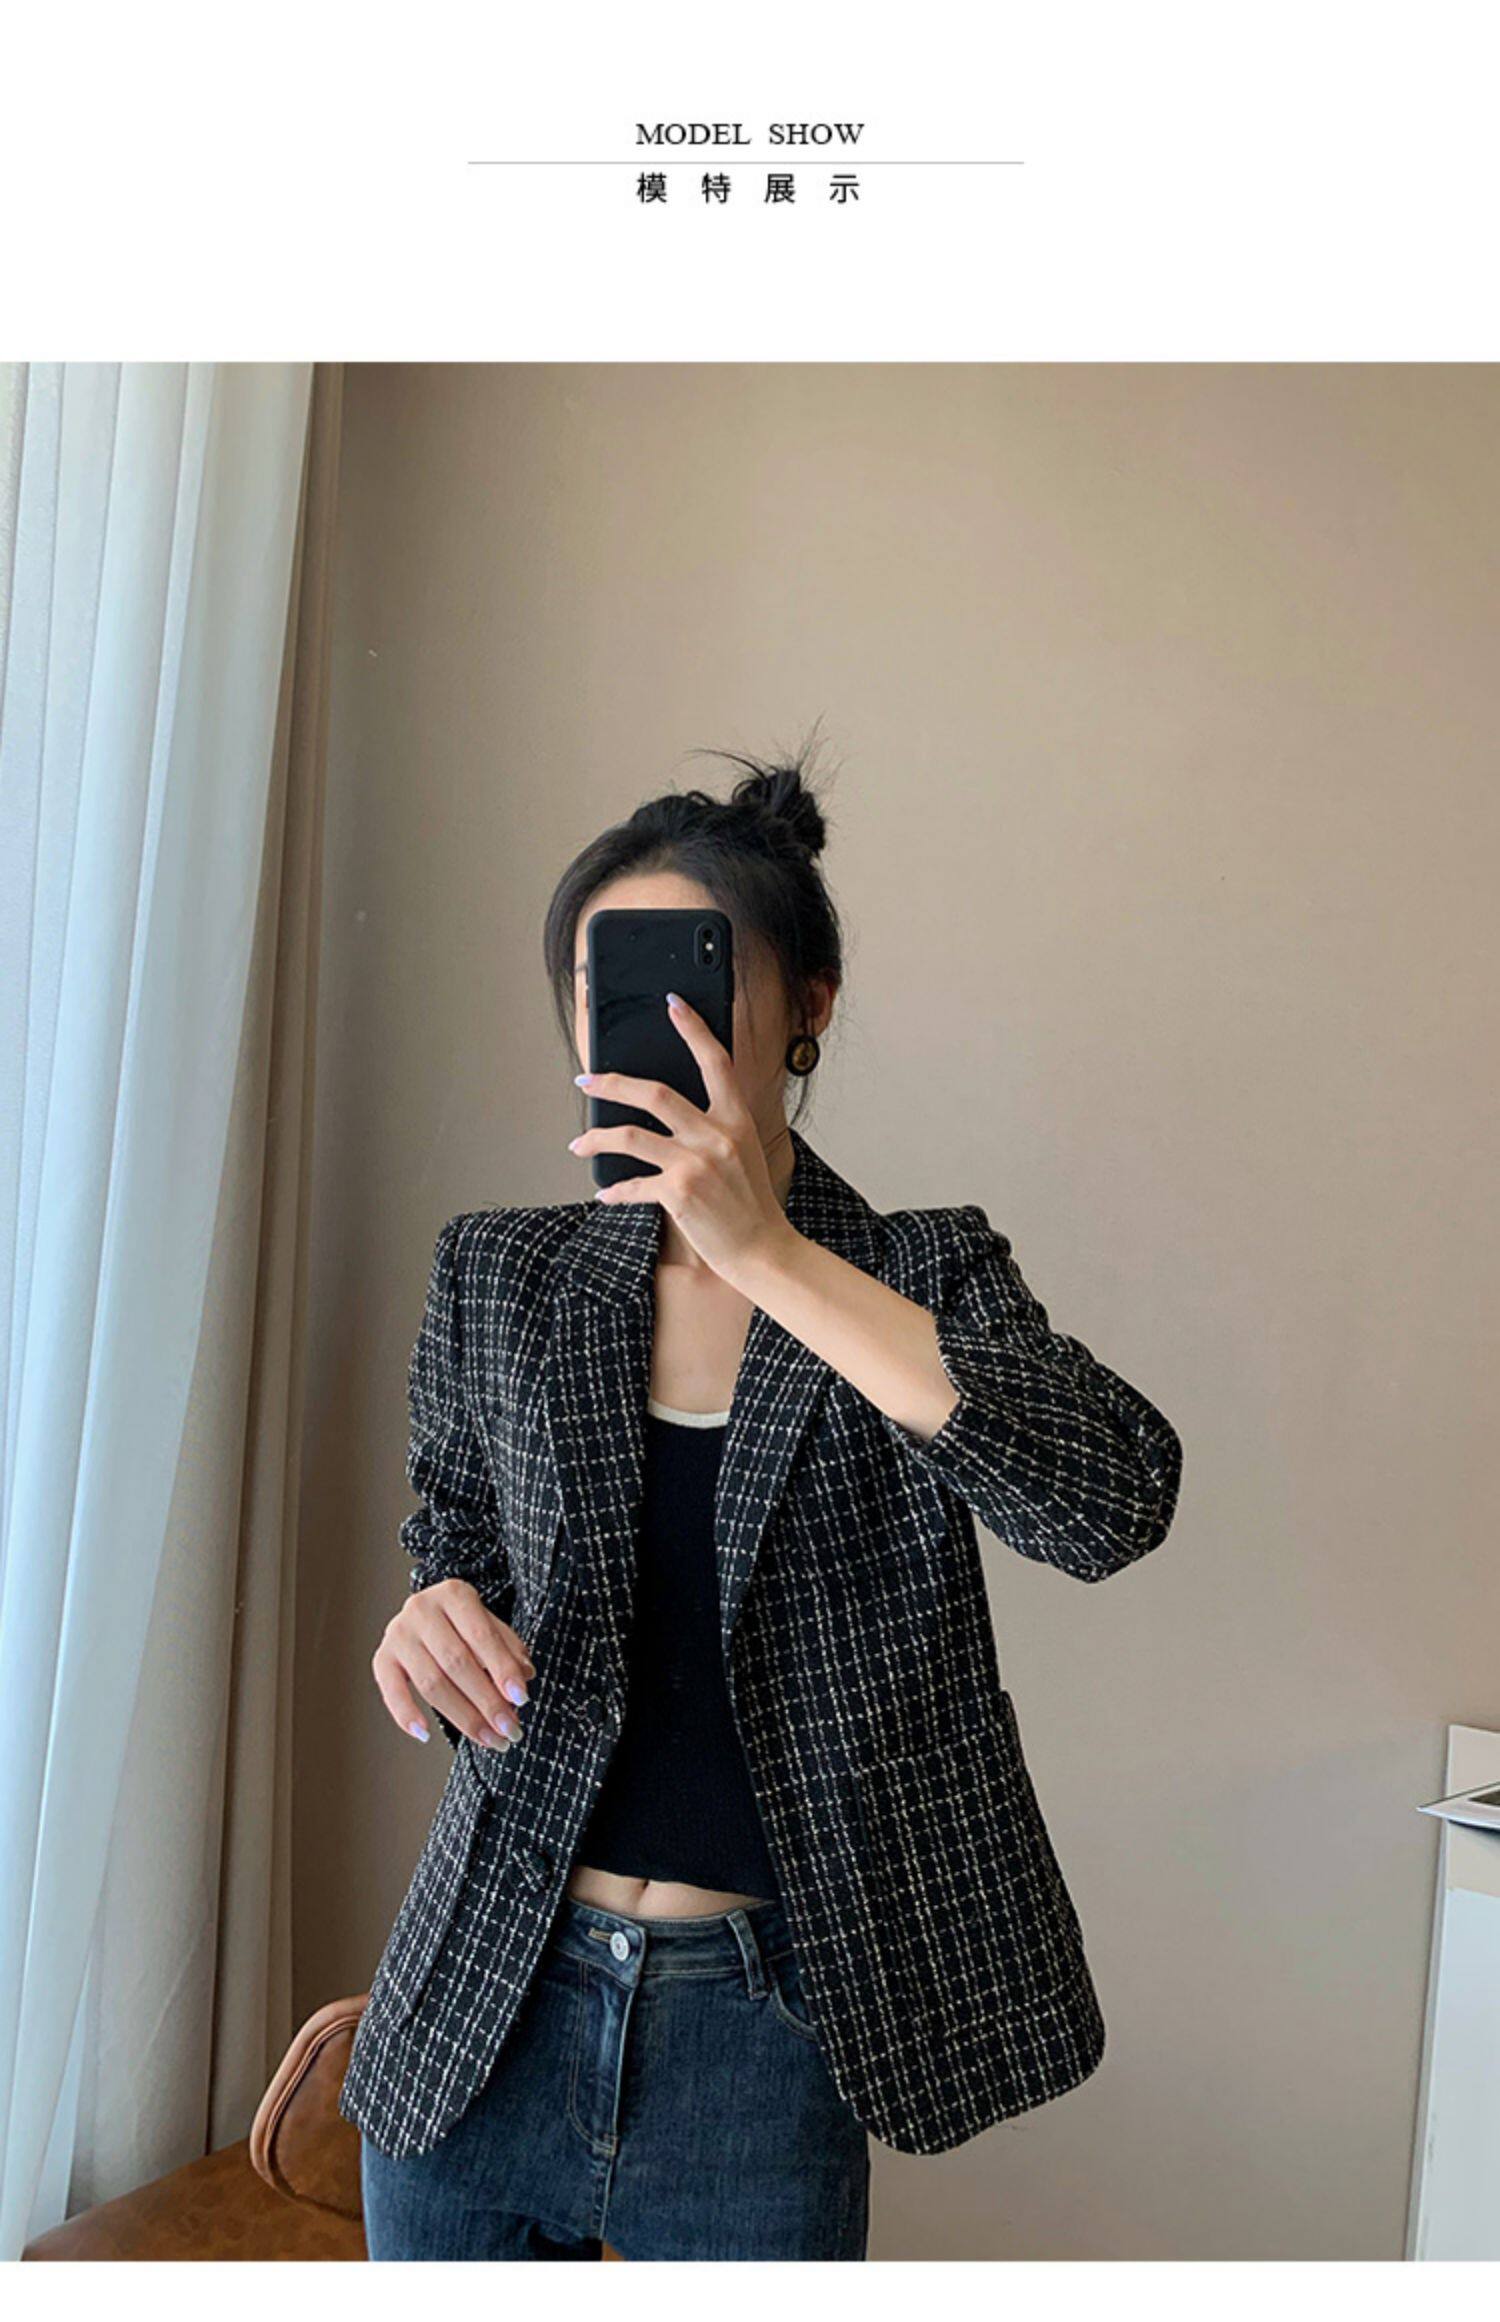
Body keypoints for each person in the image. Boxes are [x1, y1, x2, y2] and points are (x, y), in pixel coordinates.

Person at [341, 741, 1184, 2260]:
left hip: (767, 2034)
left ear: (811, 1004)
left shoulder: (920, 1276)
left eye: (696, 975)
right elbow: (451, 1533)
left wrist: (769, 1255)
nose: (644, 1025)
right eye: (604, 989)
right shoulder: (502, 1272)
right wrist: (429, 1616)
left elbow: (1112, 1498)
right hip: (489, 2002)